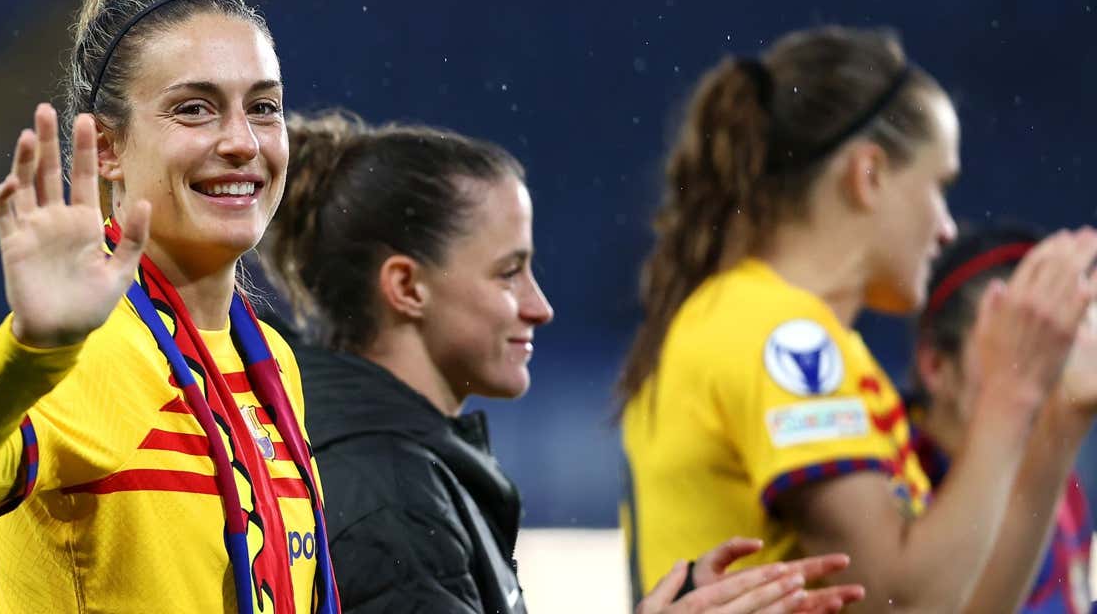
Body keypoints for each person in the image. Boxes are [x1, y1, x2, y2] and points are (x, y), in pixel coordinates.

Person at [263, 110, 864, 614]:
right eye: (509, 272)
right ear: (407, 287)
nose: (540, 307)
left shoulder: (392, 467)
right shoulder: (391, 497)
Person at [0, 0, 338, 613]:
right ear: (105, 147)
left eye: (263, 107)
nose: (243, 142)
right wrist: (33, 351)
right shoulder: (92, 350)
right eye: (195, 108)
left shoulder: (271, 363)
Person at [618, 24, 1097, 611]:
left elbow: (960, 606)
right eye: (938, 185)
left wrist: (1057, 426)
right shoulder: (780, 334)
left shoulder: (783, 329)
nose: (947, 227)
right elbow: (897, 604)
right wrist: (1012, 390)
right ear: (867, 175)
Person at [909, 225, 1096, 613]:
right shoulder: (884, 484)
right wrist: (1061, 428)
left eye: (1059, 337)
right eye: (1017, 343)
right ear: (936, 366)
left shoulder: (1062, 490)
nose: (1045, 368)